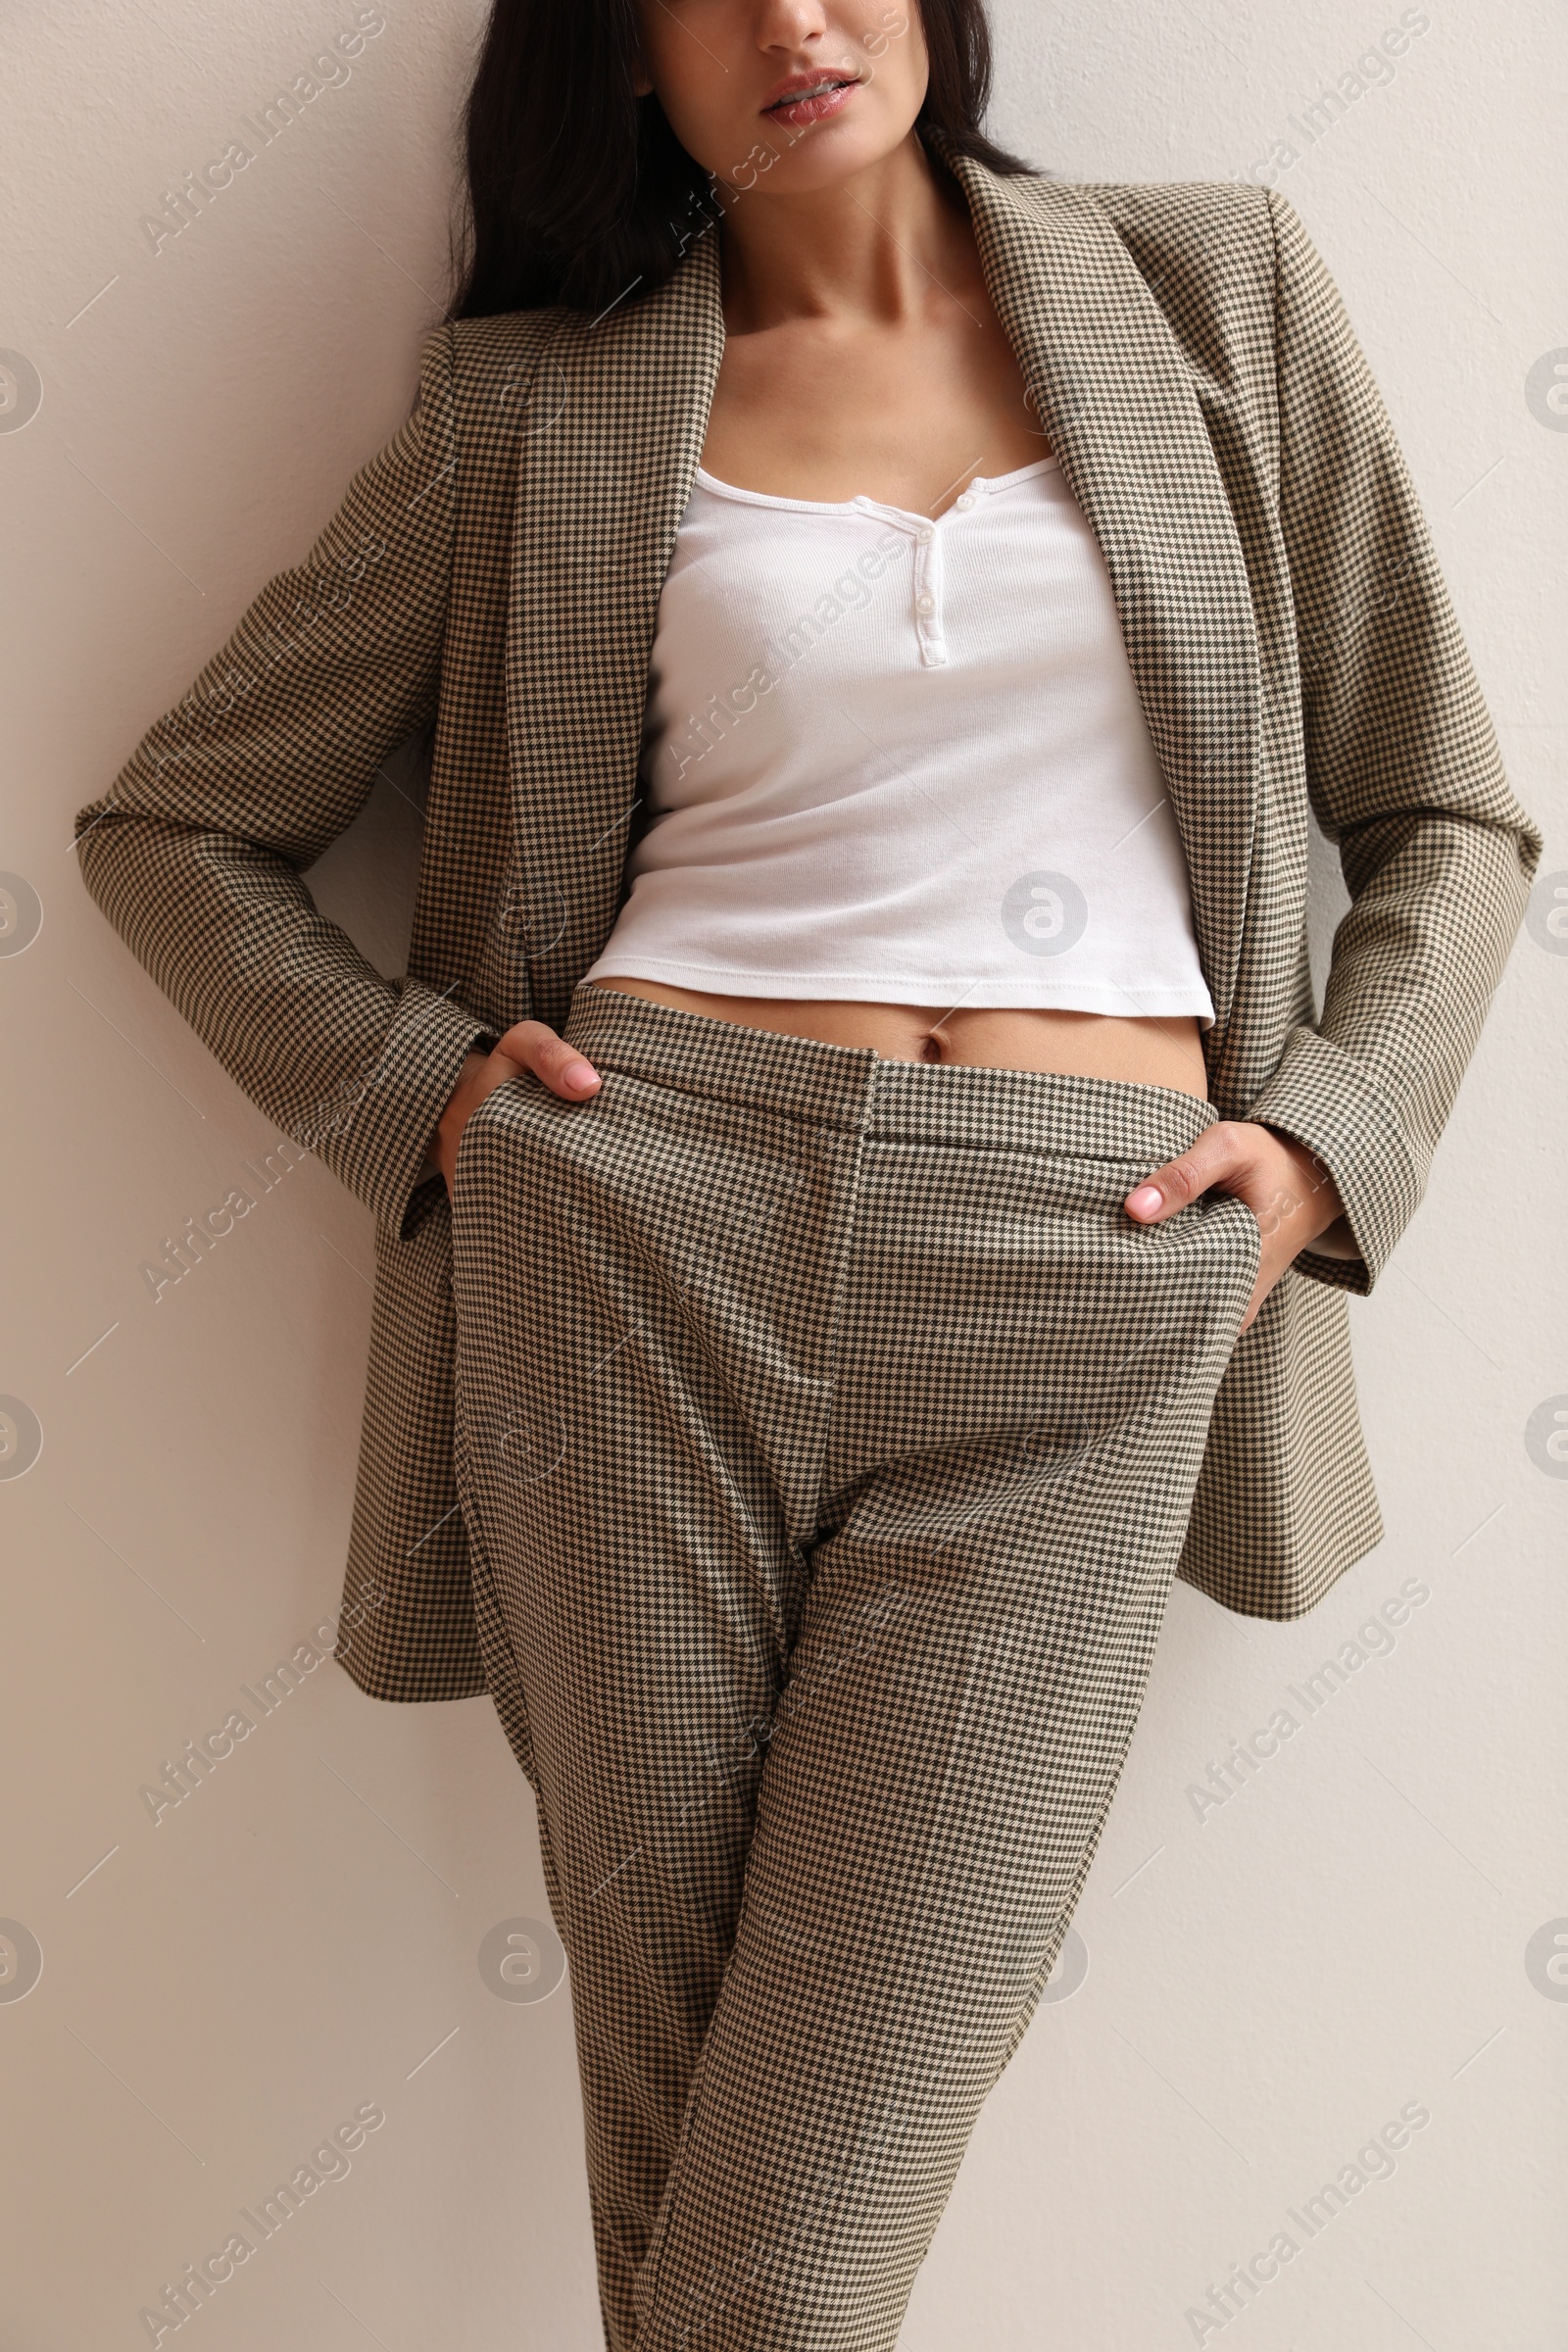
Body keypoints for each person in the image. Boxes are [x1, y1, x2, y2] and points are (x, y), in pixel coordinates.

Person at [74, 2, 1542, 2344]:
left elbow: (1443, 808)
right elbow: (176, 829)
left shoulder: (1214, 293)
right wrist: (431, 1102)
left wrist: (1314, 1153)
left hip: (1085, 1276)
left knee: (775, 2243)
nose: (788, 17)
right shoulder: (531, 410)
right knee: (702, 2194)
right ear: (613, 51)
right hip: (633, 1253)